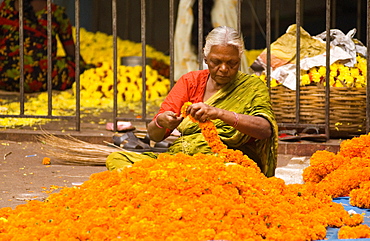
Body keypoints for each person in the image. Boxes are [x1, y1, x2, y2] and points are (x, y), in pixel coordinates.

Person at [106, 26, 278, 177]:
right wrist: (161, 121)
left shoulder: (252, 86)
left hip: (228, 160)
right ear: (205, 58)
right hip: (183, 158)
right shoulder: (191, 82)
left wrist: (219, 113)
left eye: (232, 63)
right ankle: (181, 178)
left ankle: (175, 179)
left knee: (230, 173)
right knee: (117, 158)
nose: (224, 69)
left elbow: (265, 129)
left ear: (239, 60)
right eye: (216, 62)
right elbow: (154, 135)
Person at [0, 0, 92, 93]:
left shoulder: (5, 7)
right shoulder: (56, 12)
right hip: (40, 79)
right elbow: (72, 53)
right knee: (73, 65)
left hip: (4, 78)